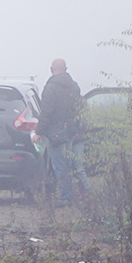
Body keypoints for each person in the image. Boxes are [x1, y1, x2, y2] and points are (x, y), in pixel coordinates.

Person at [38, 58, 89, 207]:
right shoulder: (74, 87)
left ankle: (65, 199)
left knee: (60, 167)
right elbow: (79, 110)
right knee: (69, 165)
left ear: (51, 69)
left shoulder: (50, 88)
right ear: (66, 69)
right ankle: (77, 195)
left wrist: (38, 132)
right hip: (70, 133)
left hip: (56, 134)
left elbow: (46, 112)